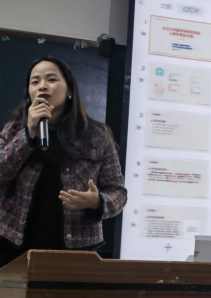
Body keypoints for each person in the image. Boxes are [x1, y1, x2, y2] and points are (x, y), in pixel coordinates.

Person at [0, 56, 127, 267]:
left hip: (76, 250)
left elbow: (118, 192)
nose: (42, 86)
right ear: (29, 92)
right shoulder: (13, 130)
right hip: (12, 246)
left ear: (69, 91)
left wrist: (97, 201)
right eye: (35, 82)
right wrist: (28, 134)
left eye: (51, 79)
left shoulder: (97, 135)